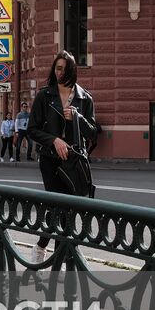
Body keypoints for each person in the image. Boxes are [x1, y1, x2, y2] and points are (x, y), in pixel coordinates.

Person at [26, 51, 98, 250]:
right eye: (57, 68)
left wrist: (78, 118)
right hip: (50, 160)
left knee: (67, 209)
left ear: (73, 71)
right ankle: (58, 254)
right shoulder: (45, 95)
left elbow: (93, 133)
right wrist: (54, 140)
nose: (60, 72)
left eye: (64, 69)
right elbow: (32, 129)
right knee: (59, 206)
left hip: (74, 163)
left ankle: (44, 248)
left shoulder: (84, 99)